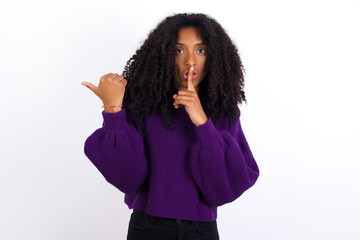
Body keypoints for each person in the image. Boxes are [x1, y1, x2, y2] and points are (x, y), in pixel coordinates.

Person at [81, 13, 260, 240]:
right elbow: (128, 179)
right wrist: (113, 110)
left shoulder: (223, 111)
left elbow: (223, 190)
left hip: (201, 231)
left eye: (201, 50)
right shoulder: (142, 104)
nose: (190, 60)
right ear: (165, 54)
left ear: (214, 56)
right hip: (147, 227)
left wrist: (202, 123)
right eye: (179, 50)